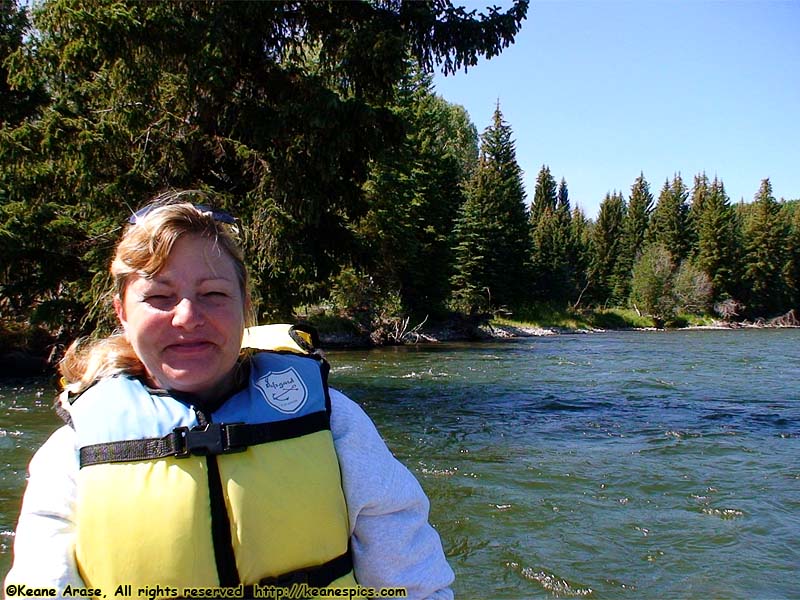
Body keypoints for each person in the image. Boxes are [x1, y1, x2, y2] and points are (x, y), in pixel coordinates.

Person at [4, 193, 454, 599]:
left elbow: (414, 583)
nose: (187, 317)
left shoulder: (336, 423)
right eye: (159, 296)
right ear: (122, 313)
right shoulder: (72, 451)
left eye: (213, 294)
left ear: (244, 306)